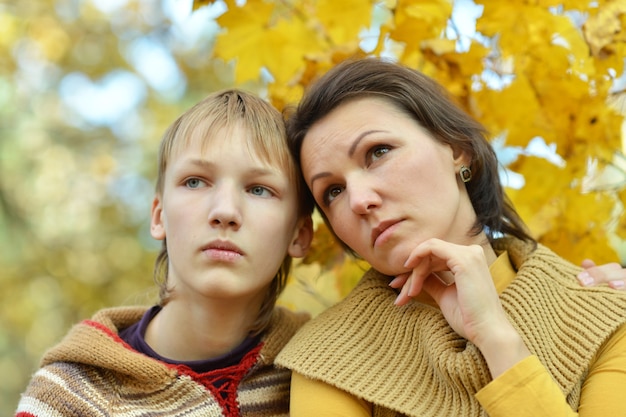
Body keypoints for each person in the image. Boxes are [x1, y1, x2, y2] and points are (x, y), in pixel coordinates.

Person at [275, 58, 626, 416]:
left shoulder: (605, 315)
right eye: (333, 191)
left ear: (457, 149)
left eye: (378, 152)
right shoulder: (328, 359)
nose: (360, 200)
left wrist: (496, 339)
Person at [15, 89, 314, 417]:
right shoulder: (68, 397)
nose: (225, 211)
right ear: (158, 216)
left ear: (299, 234)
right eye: (196, 182)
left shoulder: (321, 367)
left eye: (259, 189)